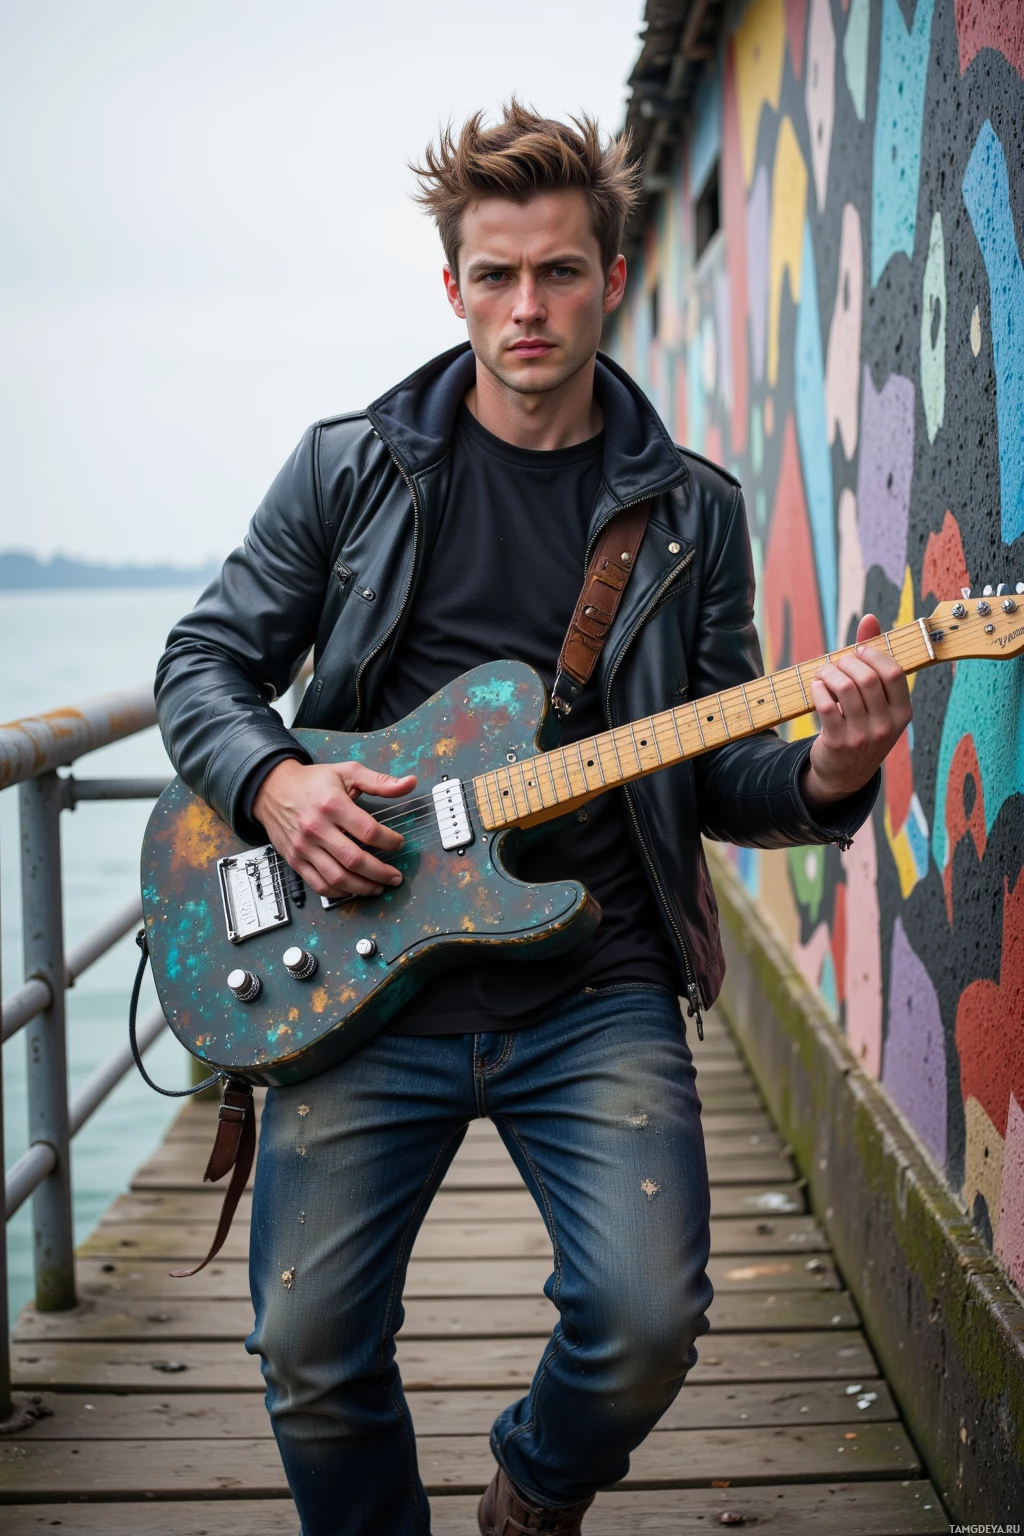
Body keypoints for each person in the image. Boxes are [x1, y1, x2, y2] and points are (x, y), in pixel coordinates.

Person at [155, 103, 912, 1536]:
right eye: (496, 276)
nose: (527, 307)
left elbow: (719, 770)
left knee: (645, 1320)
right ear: (452, 286)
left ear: (610, 278)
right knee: (309, 1355)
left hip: (594, 977)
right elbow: (202, 663)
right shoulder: (350, 468)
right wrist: (274, 782)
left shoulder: (691, 514)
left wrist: (829, 773)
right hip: (362, 976)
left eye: (559, 272)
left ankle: (538, 1490)